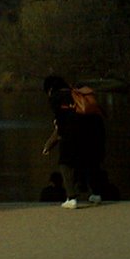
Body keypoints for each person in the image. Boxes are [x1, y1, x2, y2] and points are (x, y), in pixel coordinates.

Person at [42, 75, 95, 209]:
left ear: (50, 88)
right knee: (84, 161)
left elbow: (60, 122)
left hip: (69, 133)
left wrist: (50, 144)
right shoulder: (74, 93)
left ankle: (71, 197)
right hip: (88, 130)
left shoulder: (56, 98)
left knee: (65, 163)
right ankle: (93, 192)